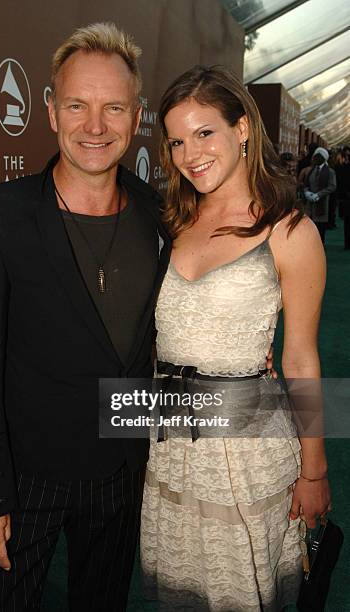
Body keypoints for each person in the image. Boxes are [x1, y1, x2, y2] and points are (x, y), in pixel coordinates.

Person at [0, 22, 172, 611]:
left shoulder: (162, 217)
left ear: (136, 116)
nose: (95, 127)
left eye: (113, 108)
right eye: (77, 105)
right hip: (25, 481)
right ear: (51, 111)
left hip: (123, 472)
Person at [140, 65, 331, 611]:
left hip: (247, 452)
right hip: (172, 440)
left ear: (242, 128)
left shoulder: (290, 230)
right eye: (176, 140)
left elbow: (299, 358)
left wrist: (314, 469)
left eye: (205, 133)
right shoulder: (172, 220)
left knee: (241, 592)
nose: (188, 153)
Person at [301, 147, 336, 244]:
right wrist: (307, 192)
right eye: (315, 157)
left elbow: (332, 186)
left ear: (324, 159)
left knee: (320, 230)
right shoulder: (311, 171)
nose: (315, 159)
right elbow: (306, 184)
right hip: (310, 205)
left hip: (322, 204)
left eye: (318, 157)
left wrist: (318, 195)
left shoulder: (330, 172)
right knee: (310, 227)